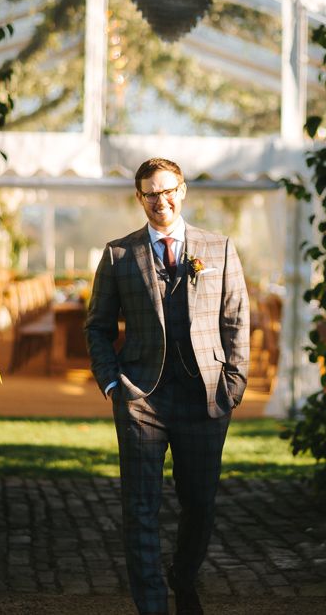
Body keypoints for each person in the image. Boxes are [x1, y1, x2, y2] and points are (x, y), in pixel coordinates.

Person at [85, 158, 250, 615]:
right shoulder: (119, 255)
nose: (162, 201)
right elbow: (97, 326)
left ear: (183, 191)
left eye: (168, 190)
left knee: (199, 503)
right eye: (151, 194)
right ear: (139, 199)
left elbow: (236, 319)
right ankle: (153, 604)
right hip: (141, 398)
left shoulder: (218, 249)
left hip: (205, 396)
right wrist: (111, 383)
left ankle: (183, 572)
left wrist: (232, 385)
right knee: (139, 506)